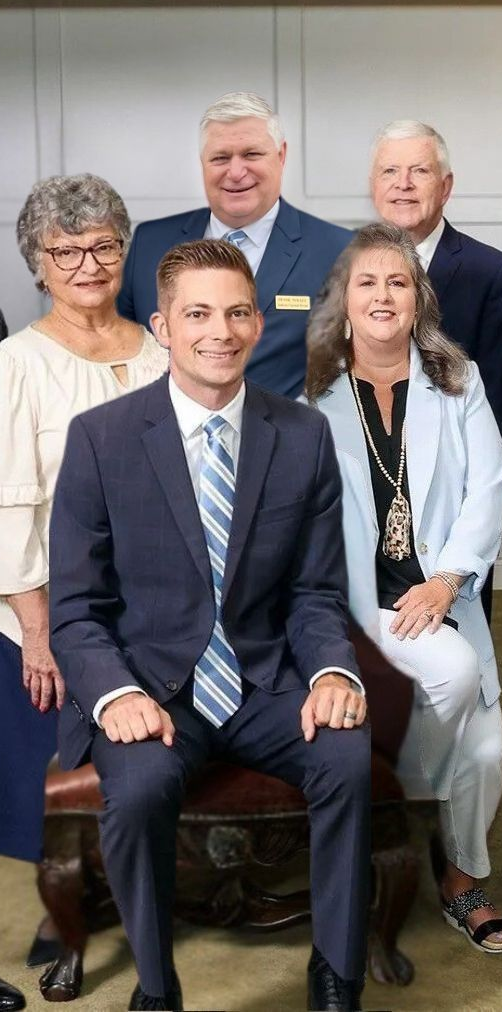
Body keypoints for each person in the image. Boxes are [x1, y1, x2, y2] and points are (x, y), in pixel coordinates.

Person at [48, 239, 371, 1010]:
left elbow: (315, 591)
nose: (219, 332)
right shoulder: (100, 438)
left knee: (347, 758)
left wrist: (332, 670)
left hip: (265, 682)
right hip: (151, 687)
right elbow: (76, 608)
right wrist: (115, 694)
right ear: (163, 327)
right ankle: (156, 988)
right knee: (139, 790)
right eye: (197, 314)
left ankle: (336, 971)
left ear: (258, 323)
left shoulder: (302, 435)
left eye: (236, 313)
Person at [306, 223, 502, 950]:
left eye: (398, 281)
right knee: (456, 681)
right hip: (351, 607)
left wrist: (448, 580)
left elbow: (489, 485)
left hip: (440, 597)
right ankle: (404, 821)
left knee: (485, 755)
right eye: (366, 282)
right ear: (343, 298)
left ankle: (457, 877)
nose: (383, 295)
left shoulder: (459, 380)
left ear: (418, 297)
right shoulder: (312, 392)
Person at [0, 175, 169, 985]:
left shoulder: (166, 349)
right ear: (38, 263)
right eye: (65, 251)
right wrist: (39, 632)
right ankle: (69, 901)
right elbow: (9, 507)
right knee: (58, 777)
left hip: (163, 608)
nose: (87, 265)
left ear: (123, 250)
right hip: (51, 613)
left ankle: (152, 880)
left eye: (103, 246)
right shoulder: (17, 364)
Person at [370, 119, 502, 626]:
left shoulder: (492, 272)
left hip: (453, 497)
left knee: (458, 643)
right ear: (373, 186)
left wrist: (481, 505)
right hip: (366, 485)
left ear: (446, 185)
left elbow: (500, 401)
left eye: (419, 171)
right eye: (390, 171)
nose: (403, 184)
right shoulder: (340, 269)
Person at [117, 92, 350, 398]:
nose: (236, 172)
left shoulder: (339, 250)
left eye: (251, 154)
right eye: (220, 158)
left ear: (281, 155)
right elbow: (117, 350)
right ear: (203, 163)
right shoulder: (149, 243)